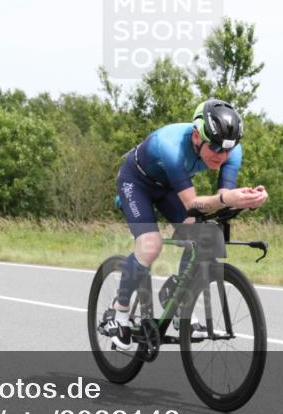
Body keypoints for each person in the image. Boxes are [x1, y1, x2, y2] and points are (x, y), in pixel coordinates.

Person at [110, 99, 268, 350]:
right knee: (150, 245)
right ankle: (119, 314)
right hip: (136, 183)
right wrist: (227, 198)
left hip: (169, 187)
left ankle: (179, 297)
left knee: (200, 233)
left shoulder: (231, 151)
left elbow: (221, 201)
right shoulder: (171, 145)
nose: (223, 156)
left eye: (228, 149)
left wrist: (249, 200)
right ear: (197, 136)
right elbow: (194, 202)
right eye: (216, 148)